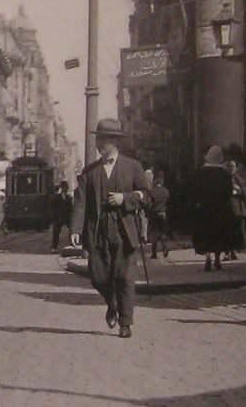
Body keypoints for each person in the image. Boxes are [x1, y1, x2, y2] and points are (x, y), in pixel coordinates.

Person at [71, 118, 149, 339]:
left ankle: (126, 323)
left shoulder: (133, 167)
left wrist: (125, 198)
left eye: (102, 140)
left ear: (114, 141)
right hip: (98, 231)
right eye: (97, 139)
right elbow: (81, 202)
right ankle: (112, 303)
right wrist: (76, 230)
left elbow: (146, 194)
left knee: (125, 278)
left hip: (125, 231)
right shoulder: (90, 172)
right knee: (98, 277)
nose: (98, 144)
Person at [189, 145, 236, 272]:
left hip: (204, 209)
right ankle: (217, 259)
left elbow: (194, 191)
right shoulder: (224, 174)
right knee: (218, 234)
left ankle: (207, 258)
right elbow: (229, 192)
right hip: (220, 209)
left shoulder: (200, 173)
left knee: (206, 234)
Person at [226, 158, 246, 260]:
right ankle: (227, 252)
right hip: (227, 209)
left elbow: (245, 194)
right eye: (229, 166)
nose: (231, 169)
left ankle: (235, 251)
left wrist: (238, 190)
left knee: (237, 232)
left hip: (238, 209)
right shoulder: (223, 179)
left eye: (233, 166)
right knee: (227, 232)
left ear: (236, 168)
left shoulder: (240, 179)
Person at [147, 170, 171, 260]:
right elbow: (168, 202)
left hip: (154, 214)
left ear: (155, 180)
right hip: (163, 213)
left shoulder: (152, 191)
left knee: (154, 234)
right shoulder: (166, 191)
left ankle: (154, 253)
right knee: (163, 232)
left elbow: (149, 203)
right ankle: (165, 246)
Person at [50, 182, 72, 252]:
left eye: (66, 188)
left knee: (72, 230)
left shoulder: (69, 197)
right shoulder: (56, 197)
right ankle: (54, 247)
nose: (65, 189)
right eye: (64, 188)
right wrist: (54, 217)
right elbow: (53, 208)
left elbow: (70, 208)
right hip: (58, 217)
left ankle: (72, 245)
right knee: (56, 233)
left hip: (67, 217)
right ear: (61, 188)